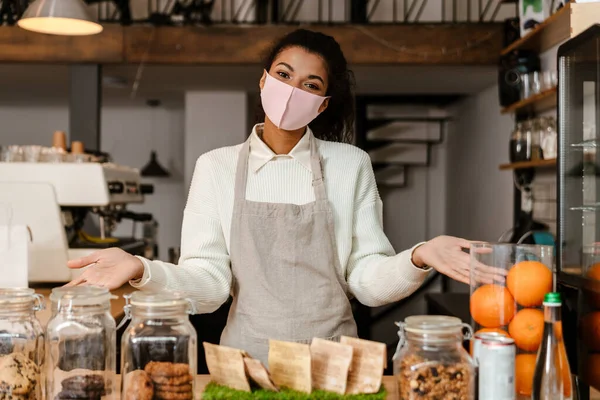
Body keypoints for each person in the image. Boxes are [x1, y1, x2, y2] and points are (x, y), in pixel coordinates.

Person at [67, 29, 475, 365]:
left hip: (333, 362)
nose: (293, 90)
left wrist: (419, 256)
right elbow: (209, 286)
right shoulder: (216, 166)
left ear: (322, 105)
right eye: (283, 75)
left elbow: (366, 280)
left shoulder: (352, 164)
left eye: (310, 85)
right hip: (243, 364)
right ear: (263, 80)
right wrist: (142, 268)